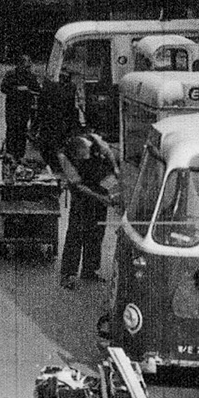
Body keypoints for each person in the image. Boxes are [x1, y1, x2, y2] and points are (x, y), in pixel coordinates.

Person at [56, 122, 119, 290]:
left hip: (99, 185)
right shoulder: (64, 157)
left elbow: (109, 155)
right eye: (80, 158)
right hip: (82, 197)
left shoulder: (95, 140)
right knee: (76, 234)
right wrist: (100, 197)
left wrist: (115, 173)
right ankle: (68, 274)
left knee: (96, 232)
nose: (84, 159)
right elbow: (78, 185)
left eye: (86, 155)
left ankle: (90, 270)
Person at [0, 55, 40, 158]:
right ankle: (10, 153)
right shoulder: (11, 75)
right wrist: (17, 89)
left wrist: (30, 91)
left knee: (22, 130)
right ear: (19, 65)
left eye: (28, 67)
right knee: (11, 129)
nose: (27, 69)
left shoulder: (31, 76)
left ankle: (20, 154)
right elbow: (3, 88)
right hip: (12, 106)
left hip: (25, 106)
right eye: (26, 67)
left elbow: (37, 89)